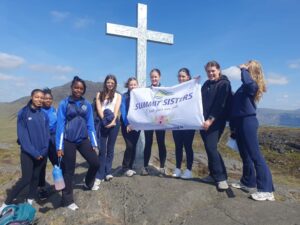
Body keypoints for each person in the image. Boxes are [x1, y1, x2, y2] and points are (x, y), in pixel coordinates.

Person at [230, 60, 275, 201]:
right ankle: (247, 182)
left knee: (256, 156)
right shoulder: (245, 87)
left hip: (248, 121)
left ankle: (267, 190)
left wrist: (243, 70)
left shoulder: (251, 85)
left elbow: (248, 82)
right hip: (239, 122)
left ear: (251, 70)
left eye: (247, 65)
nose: (243, 64)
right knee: (245, 155)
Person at [0, 89, 49, 212]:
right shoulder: (24, 113)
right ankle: (6, 204)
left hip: (42, 153)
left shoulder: (44, 114)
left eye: (41, 98)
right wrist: (34, 152)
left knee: (36, 177)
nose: (39, 100)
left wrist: (43, 151)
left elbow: (47, 135)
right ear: (31, 97)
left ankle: (30, 199)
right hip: (28, 153)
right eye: (37, 97)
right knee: (26, 178)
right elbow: (23, 137)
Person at [56, 76, 100, 211]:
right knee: (69, 171)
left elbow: (90, 125)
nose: (78, 90)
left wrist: (94, 143)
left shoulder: (86, 104)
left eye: (81, 88)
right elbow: (60, 125)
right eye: (76, 87)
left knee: (95, 162)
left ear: (84, 90)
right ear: (72, 88)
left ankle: (88, 183)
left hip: (83, 140)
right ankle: (68, 200)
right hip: (68, 141)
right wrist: (59, 146)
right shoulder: (64, 104)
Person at [200, 61, 232, 190]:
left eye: (213, 70)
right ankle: (213, 174)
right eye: (208, 71)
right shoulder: (206, 84)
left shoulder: (224, 84)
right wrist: (193, 83)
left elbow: (220, 104)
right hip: (203, 122)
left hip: (216, 122)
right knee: (209, 148)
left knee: (211, 147)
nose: (211, 73)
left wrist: (210, 120)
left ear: (219, 70)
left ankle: (221, 178)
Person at [95, 74, 121, 183]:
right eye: (108, 82)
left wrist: (113, 121)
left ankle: (108, 171)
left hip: (114, 123)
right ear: (105, 83)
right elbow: (99, 108)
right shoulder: (99, 94)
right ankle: (100, 172)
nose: (110, 84)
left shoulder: (118, 95)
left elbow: (116, 110)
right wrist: (104, 121)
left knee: (110, 147)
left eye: (112, 82)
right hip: (103, 122)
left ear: (115, 84)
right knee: (102, 149)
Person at [141, 68, 167, 176]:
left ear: (159, 77)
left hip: (161, 119)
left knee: (161, 143)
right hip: (149, 120)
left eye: (156, 76)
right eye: (152, 77)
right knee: (148, 143)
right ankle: (145, 167)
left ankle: (162, 168)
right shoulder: (146, 90)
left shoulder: (165, 89)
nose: (154, 79)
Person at [172, 68, 195, 179]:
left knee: (188, 146)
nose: (181, 78)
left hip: (189, 123)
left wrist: (195, 82)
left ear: (188, 77)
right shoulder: (175, 90)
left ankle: (189, 170)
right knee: (178, 146)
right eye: (179, 76)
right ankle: (177, 168)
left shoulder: (193, 88)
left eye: (183, 76)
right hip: (176, 122)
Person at [38, 88, 58, 200]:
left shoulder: (54, 110)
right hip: (42, 140)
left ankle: (59, 183)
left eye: (50, 98)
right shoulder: (38, 111)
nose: (48, 100)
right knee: (42, 164)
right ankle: (41, 188)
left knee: (57, 162)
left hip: (53, 139)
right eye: (46, 98)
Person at [120, 77, 140, 177]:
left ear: (138, 85)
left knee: (134, 145)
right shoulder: (124, 96)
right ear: (128, 85)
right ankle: (125, 167)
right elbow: (123, 111)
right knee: (129, 145)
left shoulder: (141, 96)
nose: (132, 86)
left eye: (134, 84)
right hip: (126, 124)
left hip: (137, 124)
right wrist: (127, 123)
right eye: (131, 84)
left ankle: (130, 167)